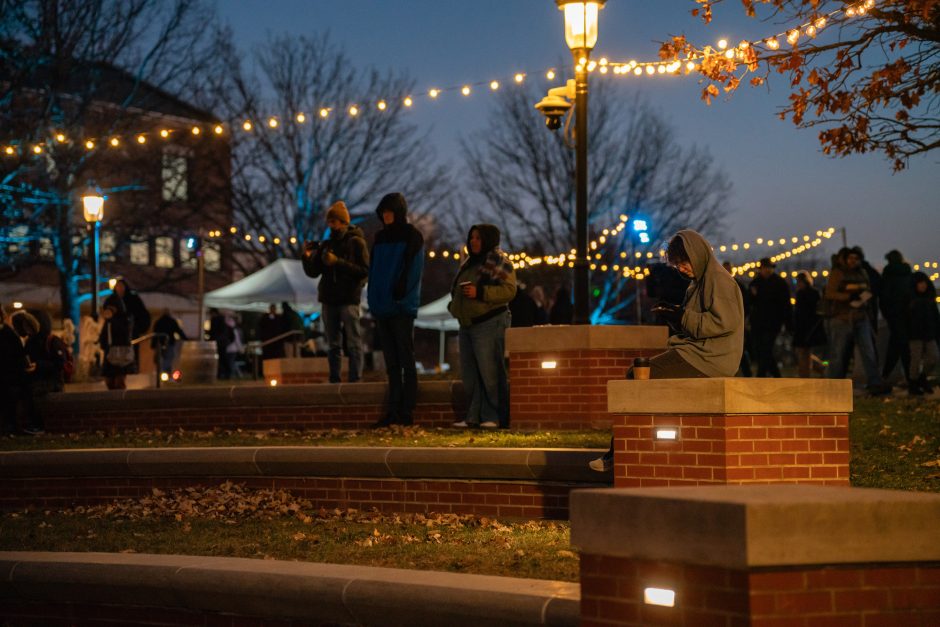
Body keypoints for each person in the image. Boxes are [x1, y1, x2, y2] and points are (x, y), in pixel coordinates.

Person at [590, 230, 744, 471]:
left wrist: (681, 316)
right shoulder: (699, 283)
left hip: (708, 358)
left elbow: (724, 323)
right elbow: (696, 323)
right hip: (698, 352)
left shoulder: (719, 281)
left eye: (684, 262)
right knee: (639, 373)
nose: (682, 269)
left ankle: (618, 454)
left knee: (639, 375)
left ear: (698, 254)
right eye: (678, 265)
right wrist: (674, 316)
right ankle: (628, 449)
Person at [448, 224, 517, 429]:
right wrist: (454, 306)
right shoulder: (469, 264)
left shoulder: (499, 262)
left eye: (478, 238)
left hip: (489, 323)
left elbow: (509, 290)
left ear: (487, 239)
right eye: (472, 237)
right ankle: (473, 416)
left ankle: (494, 416)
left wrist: (481, 293)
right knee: (470, 374)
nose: (473, 241)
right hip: (467, 325)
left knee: (490, 373)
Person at [367, 192, 425, 427]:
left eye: (390, 211)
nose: (386, 216)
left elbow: (414, 270)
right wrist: (374, 301)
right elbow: (374, 272)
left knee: (405, 360)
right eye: (384, 212)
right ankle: (394, 410)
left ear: (398, 212)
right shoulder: (380, 238)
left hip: (400, 307)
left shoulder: (412, 236)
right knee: (392, 363)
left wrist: (402, 296)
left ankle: (406, 410)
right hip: (383, 307)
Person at [302, 200, 370, 383]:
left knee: (353, 342)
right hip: (329, 298)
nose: (330, 225)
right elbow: (313, 272)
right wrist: (307, 257)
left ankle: (355, 378)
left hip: (348, 298)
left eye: (334, 221)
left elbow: (365, 271)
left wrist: (337, 262)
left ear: (343, 222)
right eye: (329, 221)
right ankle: (335, 378)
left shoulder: (356, 242)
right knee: (333, 343)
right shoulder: (327, 244)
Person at [823, 247, 891, 394]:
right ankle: (834, 385)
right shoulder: (838, 273)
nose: (853, 261)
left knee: (868, 351)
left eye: (856, 258)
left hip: (861, 317)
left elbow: (868, 289)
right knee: (838, 354)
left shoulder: (862, 273)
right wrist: (848, 297)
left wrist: (863, 300)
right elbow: (830, 293)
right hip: (841, 318)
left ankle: (875, 382)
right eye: (851, 258)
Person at [23, 309, 67, 434]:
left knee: (36, 392)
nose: (27, 328)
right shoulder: (30, 342)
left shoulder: (52, 341)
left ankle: (38, 425)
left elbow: (60, 364)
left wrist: (39, 366)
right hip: (35, 377)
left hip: (52, 381)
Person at [748, 258, 791, 378]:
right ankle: (776, 376)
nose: (767, 270)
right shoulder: (755, 283)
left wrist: (787, 323)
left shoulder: (779, 283)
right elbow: (749, 302)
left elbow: (786, 305)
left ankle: (761, 376)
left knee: (766, 349)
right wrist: (753, 295)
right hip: (758, 323)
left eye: (769, 268)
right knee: (761, 350)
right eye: (765, 268)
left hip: (773, 323)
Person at [880, 249, 913, 383]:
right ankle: (910, 376)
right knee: (903, 346)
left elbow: (884, 298)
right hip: (907, 315)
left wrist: (887, 314)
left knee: (897, 345)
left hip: (895, 315)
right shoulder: (908, 273)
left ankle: (886, 375)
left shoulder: (888, 275)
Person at [1, 305, 33, 434]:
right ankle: (11, 427)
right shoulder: (8, 334)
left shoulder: (7, 334)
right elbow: (19, 355)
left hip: (9, 378)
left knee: (9, 405)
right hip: (10, 378)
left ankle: (10, 427)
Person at [907, 272, 938, 396]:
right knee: (915, 360)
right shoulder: (910, 300)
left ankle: (922, 378)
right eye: (920, 283)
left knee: (934, 358)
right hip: (914, 334)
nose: (923, 285)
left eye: (924, 282)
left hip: (929, 334)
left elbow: (935, 317)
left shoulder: (930, 299)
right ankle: (913, 384)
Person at [792, 272, 827, 378]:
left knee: (804, 353)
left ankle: (805, 375)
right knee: (803, 353)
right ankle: (820, 368)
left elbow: (815, 311)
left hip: (808, 327)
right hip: (802, 327)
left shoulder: (811, 293)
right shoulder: (801, 293)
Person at [722, 261, 752, 376]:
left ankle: (745, 373)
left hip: (736, 322)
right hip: (725, 322)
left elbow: (746, 304)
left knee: (739, 350)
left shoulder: (737, 285)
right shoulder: (721, 285)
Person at [99, 291, 134, 390]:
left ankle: (120, 402)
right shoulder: (108, 321)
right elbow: (104, 334)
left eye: (112, 307)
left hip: (121, 354)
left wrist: (112, 320)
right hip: (109, 353)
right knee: (109, 381)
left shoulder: (125, 318)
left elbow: (125, 334)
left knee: (119, 382)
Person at [114, 279, 150, 372]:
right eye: (117, 286)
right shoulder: (113, 300)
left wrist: (139, 327)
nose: (119, 289)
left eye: (121, 286)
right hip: (117, 332)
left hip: (131, 331)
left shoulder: (133, 299)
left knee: (132, 351)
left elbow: (142, 313)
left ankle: (132, 369)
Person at [152, 309, 188, 375]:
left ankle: (161, 373)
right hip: (169, 343)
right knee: (169, 358)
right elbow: (179, 331)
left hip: (159, 343)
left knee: (160, 358)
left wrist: (153, 345)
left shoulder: (158, 322)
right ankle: (165, 372)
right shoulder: (172, 321)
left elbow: (155, 334)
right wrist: (186, 339)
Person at [207, 308, 234, 378]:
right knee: (223, 358)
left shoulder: (215, 320)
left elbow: (214, 332)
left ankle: (222, 373)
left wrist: (213, 339)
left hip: (218, 342)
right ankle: (225, 373)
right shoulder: (222, 321)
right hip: (222, 342)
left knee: (221, 358)